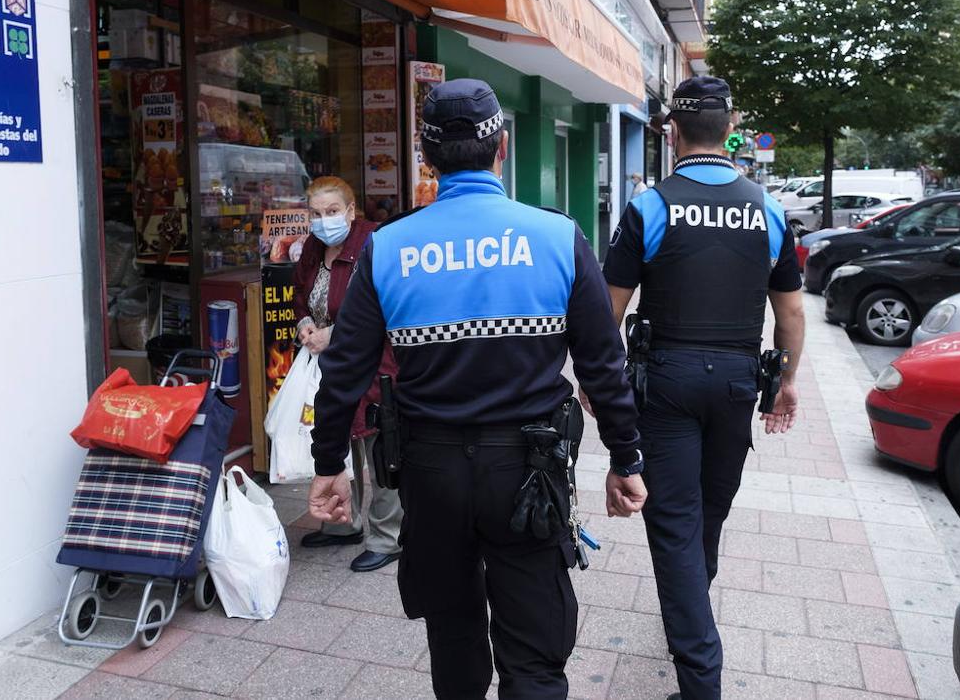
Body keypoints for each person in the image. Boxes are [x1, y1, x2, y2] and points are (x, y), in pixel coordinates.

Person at [306, 79, 646, 700]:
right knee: (536, 655)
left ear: (427, 160)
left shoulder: (389, 248)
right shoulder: (557, 237)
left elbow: (345, 370)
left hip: (430, 472)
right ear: (503, 148)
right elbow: (604, 365)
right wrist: (626, 459)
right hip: (529, 472)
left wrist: (330, 462)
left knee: (454, 640)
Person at [597, 76, 806, 700]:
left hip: (667, 382)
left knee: (676, 522)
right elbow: (791, 313)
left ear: (673, 131)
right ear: (730, 125)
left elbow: (609, 311)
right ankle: (693, 613)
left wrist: (600, 383)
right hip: (740, 380)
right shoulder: (768, 208)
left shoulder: (650, 207)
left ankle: (699, 678)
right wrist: (786, 379)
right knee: (708, 510)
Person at [292, 176, 403, 573]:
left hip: (376, 364)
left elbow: (389, 310)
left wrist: (334, 334)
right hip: (328, 366)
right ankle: (344, 525)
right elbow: (300, 294)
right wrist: (305, 322)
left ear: (352, 211)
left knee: (380, 448)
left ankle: (387, 537)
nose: (324, 221)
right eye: (317, 214)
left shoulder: (375, 244)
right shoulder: (311, 249)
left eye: (333, 211)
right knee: (340, 441)